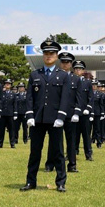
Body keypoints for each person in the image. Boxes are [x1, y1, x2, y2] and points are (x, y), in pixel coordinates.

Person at [21, 39, 72, 192]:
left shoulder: (63, 76)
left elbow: (65, 98)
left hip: (55, 119)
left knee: (58, 152)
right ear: (43, 55)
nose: (49, 56)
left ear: (57, 56)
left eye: (52, 53)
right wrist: (29, 115)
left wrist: (61, 117)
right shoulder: (35, 74)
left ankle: (61, 182)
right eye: (46, 53)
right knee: (35, 152)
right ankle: (31, 181)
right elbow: (29, 97)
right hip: (37, 119)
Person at [72, 61, 93, 161]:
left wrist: (88, 109)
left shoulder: (87, 82)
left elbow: (91, 98)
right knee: (73, 135)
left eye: (80, 68)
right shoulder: (70, 81)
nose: (78, 70)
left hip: (84, 113)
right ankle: (72, 153)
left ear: (83, 70)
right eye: (76, 68)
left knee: (86, 135)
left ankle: (88, 154)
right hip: (73, 113)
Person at [0, 79, 16, 149]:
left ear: (11, 85)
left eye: (9, 83)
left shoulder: (13, 94)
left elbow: (15, 104)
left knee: (11, 130)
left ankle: (12, 143)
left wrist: (15, 113)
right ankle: (0, 143)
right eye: (6, 83)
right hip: (2, 114)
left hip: (10, 114)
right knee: (1, 130)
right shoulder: (2, 93)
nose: (7, 84)